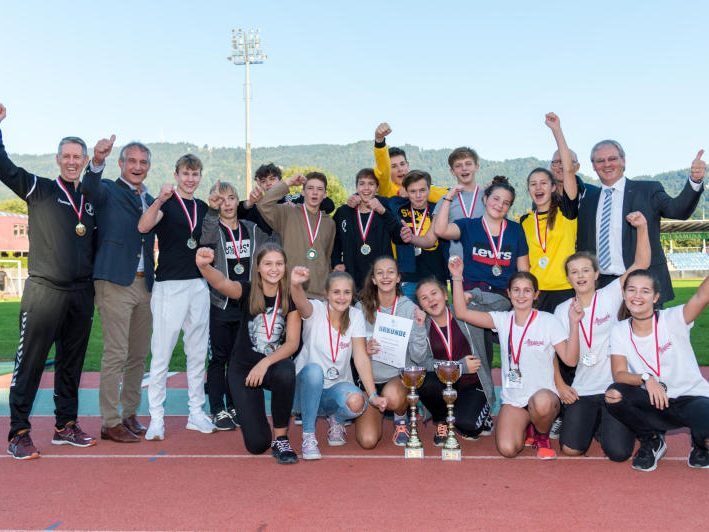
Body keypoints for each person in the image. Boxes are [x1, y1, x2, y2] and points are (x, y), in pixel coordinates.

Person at [0, 103, 104, 459]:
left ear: (85, 160)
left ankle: (65, 426)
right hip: (44, 292)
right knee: (30, 363)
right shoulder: (39, 189)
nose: (73, 161)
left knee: (71, 364)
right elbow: (5, 168)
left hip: (80, 293)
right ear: (58, 159)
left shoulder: (90, 200)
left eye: (79, 156)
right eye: (67, 156)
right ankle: (19, 432)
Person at [449, 257, 577, 459]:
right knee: (508, 449)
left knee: (542, 403)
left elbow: (570, 360)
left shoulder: (549, 321)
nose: (521, 295)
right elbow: (462, 312)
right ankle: (527, 425)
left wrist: (574, 323)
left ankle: (541, 434)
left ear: (536, 295)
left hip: (543, 396)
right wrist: (457, 278)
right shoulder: (502, 320)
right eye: (516, 290)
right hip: (515, 399)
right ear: (508, 294)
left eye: (527, 290)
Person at [553, 211, 650, 461]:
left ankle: (616, 420)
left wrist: (641, 228)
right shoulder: (562, 311)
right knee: (570, 449)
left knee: (618, 453)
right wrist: (561, 385)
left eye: (586, 270)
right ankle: (596, 422)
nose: (581, 276)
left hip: (615, 384)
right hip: (583, 387)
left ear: (596, 274)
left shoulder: (610, 295)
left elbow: (641, 264)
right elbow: (554, 355)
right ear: (568, 278)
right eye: (574, 272)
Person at [195, 244, 302, 464]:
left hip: (271, 366)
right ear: (258, 268)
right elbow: (222, 283)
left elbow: (291, 344)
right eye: (268, 264)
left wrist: (264, 364)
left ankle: (281, 438)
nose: (274, 269)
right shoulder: (248, 290)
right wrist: (205, 267)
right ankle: (259, 423)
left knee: (286, 371)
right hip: (243, 371)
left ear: (285, 267)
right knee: (257, 444)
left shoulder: (291, 297)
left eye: (279, 264)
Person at [82, 140, 156, 443]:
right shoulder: (108, 190)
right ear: (121, 164)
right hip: (114, 280)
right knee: (116, 353)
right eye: (132, 161)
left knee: (139, 354)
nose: (137, 167)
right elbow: (89, 187)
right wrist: (97, 160)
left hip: (144, 283)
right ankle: (109, 421)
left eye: (143, 162)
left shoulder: (151, 198)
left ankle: (128, 414)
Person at [138, 154, 215, 440]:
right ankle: (156, 417)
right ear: (176, 174)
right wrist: (158, 199)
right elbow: (143, 226)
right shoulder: (166, 203)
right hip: (169, 285)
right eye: (186, 174)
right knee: (162, 354)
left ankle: (196, 412)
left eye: (195, 174)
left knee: (197, 354)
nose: (190, 179)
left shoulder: (204, 207)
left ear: (200, 177)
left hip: (198, 285)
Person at [576, 140, 705, 303]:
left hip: (642, 283)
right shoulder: (588, 199)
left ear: (623, 161)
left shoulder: (648, 190)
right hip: (602, 287)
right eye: (600, 161)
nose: (607, 164)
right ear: (593, 166)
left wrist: (695, 180)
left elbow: (678, 210)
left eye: (612, 159)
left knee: (647, 329)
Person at [606, 271, 709, 471]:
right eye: (632, 290)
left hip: (690, 397)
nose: (637, 296)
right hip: (653, 399)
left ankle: (699, 446)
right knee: (613, 394)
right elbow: (619, 374)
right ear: (624, 295)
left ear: (655, 297)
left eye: (645, 291)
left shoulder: (674, 318)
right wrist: (646, 378)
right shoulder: (619, 330)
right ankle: (652, 439)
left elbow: (702, 295)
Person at [290, 268, 388, 459]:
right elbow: (300, 301)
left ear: (352, 295)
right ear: (327, 294)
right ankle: (309, 436)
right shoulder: (316, 309)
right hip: (305, 392)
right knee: (314, 372)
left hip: (334, 392)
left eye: (347, 292)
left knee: (357, 402)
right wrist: (295, 284)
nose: (342, 297)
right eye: (336, 292)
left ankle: (337, 419)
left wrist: (373, 394)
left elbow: (360, 356)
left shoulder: (355, 316)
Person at [200, 181, 270, 430]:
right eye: (221, 199)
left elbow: (272, 244)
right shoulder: (212, 228)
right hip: (220, 303)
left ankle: (234, 405)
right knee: (219, 358)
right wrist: (211, 210)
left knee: (240, 358)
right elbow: (204, 240)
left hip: (247, 304)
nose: (227, 204)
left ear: (237, 201)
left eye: (231, 198)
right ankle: (217, 408)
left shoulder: (250, 228)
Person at [354, 256, 428, 448]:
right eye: (380, 272)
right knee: (367, 441)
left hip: (396, 379)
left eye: (390, 272)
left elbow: (419, 357)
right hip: (369, 381)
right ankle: (373, 405)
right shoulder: (360, 308)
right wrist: (364, 350)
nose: (385, 277)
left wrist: (419, 328)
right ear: (373, 279)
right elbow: (351, 353)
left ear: (398, 278)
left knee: (393, 396)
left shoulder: (410, 309)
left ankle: (400, 419)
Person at [415, 275, 497, 445]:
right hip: (443, 385)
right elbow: (420, 363)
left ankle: (481, 414)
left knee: (468, 426)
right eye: (424, 298)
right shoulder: (422, 325)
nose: (431, 300)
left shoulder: (465, 313)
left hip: (473, 383)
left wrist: (474, 295)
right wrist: (459, 366)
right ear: (420, 305)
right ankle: (442, 420)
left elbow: (503, 304)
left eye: (434, 293)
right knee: (424, 382)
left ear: (445, 295)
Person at [521, 113, 579, 313]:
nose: (538, 187)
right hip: (537, 293)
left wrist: (557, 131)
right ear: (528, 189)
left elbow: (569, 171)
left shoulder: (568, 212)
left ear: (554, 187)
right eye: (533, 184)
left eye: (544, 183)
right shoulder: (524, 221)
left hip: (566, 291)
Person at [434, 176, 530, 296]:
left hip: (503, 296)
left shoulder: (516, 230)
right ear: (485, 199)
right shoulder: (468, 225)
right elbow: (440, 231)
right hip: (471, 293)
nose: (500, 205)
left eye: (506, 203)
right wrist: (448, 198)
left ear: (509, 208)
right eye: (496, 199)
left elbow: (523, 271)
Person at [256, 172, 336, 299]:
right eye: (310, 188)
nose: (315, 192)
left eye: (319, 189)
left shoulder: (329, 223)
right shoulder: (287, 213)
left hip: (319, 294)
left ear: (325, 194)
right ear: (303, 192)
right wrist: (288, 183)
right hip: (290, 291)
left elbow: (326, 258)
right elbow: (263, 204)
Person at [332, 169, 399, 290]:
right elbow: (335, 241)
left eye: (371, 184)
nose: (366, 188)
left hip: (381, 280)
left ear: (377, 188)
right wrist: (336, 262)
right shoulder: (344, 212)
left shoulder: (386, 208)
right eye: (362, 183)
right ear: (356, 187)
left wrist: (383, 211)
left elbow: (399, 237)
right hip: (352, 278)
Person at [388, 170, 449, 301]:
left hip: (435, 276)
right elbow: (374, 197)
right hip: (407, 277)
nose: (418, 195)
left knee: (436, 319)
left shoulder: (438, 209)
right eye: (413, 191)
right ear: (406, 192)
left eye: (422, 190)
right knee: (408, 319)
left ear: (429, 189)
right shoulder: (397, 207)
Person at [238, 163, 336, 237]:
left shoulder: (294, 199)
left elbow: (329, 205)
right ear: (259, 185)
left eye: (272, 179)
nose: (268, 183)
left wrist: (299, 209)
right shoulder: (257, 207)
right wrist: (249, 203)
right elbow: (234, 216)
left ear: (281, 181)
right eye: (263, 181)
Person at [432, 146, 486, 259]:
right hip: (457, 266)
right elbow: (431, 237)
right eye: (458, 165)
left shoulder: (490, 197)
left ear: (477, 166)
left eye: (468, 164)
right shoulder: (445, 200)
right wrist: (412, 238)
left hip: (486, 263)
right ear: (452, 171)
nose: (464, 168)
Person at [371, 123, 447, 201]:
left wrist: (411, 190)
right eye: (393, 166)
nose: (400, 169)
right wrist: (379, 141)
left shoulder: (425, 187)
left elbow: (447, 194)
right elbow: (383, 170)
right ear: (388, 170)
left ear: (408, 165)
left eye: (402, 164)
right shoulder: (387, 190)